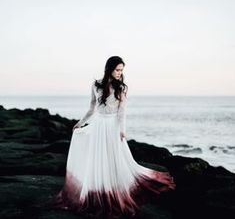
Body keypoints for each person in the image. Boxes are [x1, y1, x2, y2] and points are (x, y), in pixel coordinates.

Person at [47, 56, 176, 218]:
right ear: (109, 69)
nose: (119, 73)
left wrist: (122, 130)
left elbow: (122, 112)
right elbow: (92, 108)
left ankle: (112, 189)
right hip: (98, 125)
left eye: (121, 70)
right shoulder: (96, 85)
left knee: (113, 158)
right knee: (98, 158)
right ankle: (97, 189)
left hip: (112, 126)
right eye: (117, 69)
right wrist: (81, 123)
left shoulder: (122, 88)